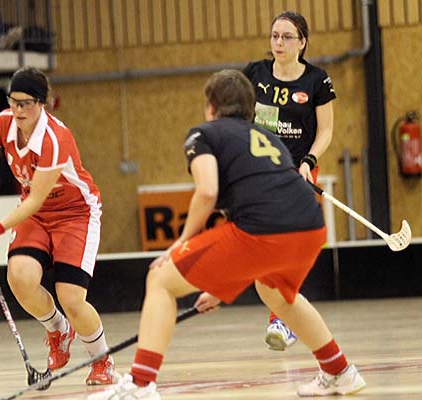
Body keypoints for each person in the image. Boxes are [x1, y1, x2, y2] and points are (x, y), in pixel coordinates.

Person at [88, 69, 365, 399]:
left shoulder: (202, 135)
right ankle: (339, 371)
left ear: (211, 106)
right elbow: (252, 241)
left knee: (161, 279)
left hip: (264, 230)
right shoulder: (267, 138)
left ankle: (141, 385)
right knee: (277, 293)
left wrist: (180, 243)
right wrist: (221, 286)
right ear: (250, 109)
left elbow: (207, 191)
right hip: (310, 226)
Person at [0, 67, 118, 385]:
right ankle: (58, 329)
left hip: (75, 214)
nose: (17, 110)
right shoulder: (2, 123)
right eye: (12, 101)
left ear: (41, 103)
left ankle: (102, 361)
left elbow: (34, 199)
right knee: (19, 277)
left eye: (25, 103)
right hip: (37, 217)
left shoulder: (55, 138)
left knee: (71, 298)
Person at [242, 10, 336, 351]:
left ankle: (281, 318)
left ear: (302, 42)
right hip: (261, 175)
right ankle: (283, 315)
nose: (279, 42)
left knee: (289, 244)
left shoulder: (317, 81)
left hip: (300, 173)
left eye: (286, 37)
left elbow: (325, 130)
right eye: (274, 36)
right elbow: (238, 117)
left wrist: (309, 160)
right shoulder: (254, 74)